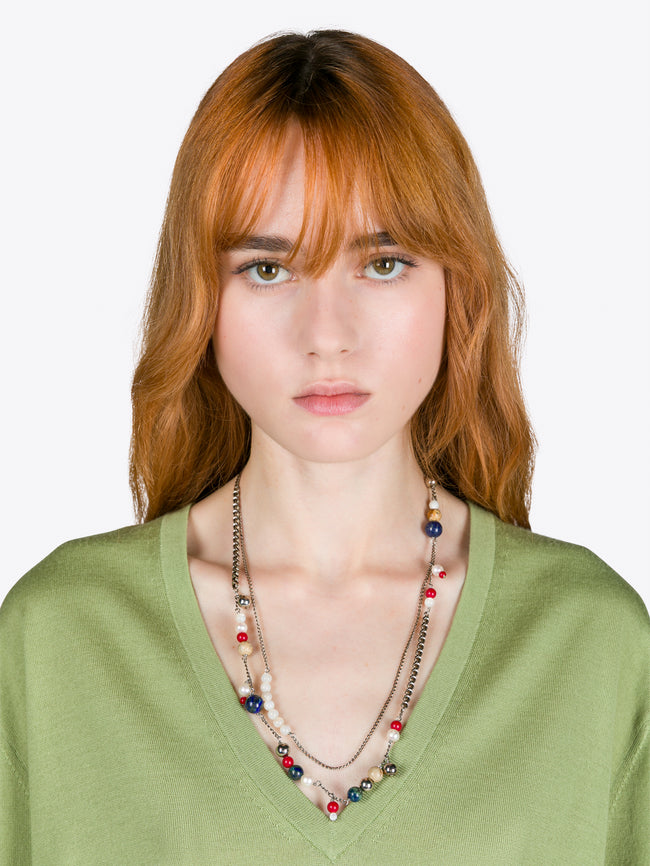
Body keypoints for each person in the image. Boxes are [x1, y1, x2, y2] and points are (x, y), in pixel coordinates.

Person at [1, 30, 648, 865]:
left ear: (458, 288)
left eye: (383, 263)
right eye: (268, 270)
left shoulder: (591, 642)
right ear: (201, 299)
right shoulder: (59, 639)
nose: (327, 335)